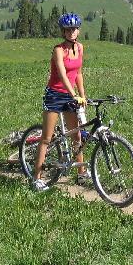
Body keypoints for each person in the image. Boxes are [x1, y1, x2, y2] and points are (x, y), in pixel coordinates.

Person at [33, 12, 88, 191]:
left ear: (78, 31)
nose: (72, 32)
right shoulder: (58, 50)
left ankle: (81, 173)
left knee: (76, 136)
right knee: (46, 138)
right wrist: (73, 95)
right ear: (63, 32)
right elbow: (63, 75)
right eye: (68, 30)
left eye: (74, 29)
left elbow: (78, 73)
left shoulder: (80, 48)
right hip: (55, 95)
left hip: (71, 95)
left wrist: (82, 95)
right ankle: (37, 179)